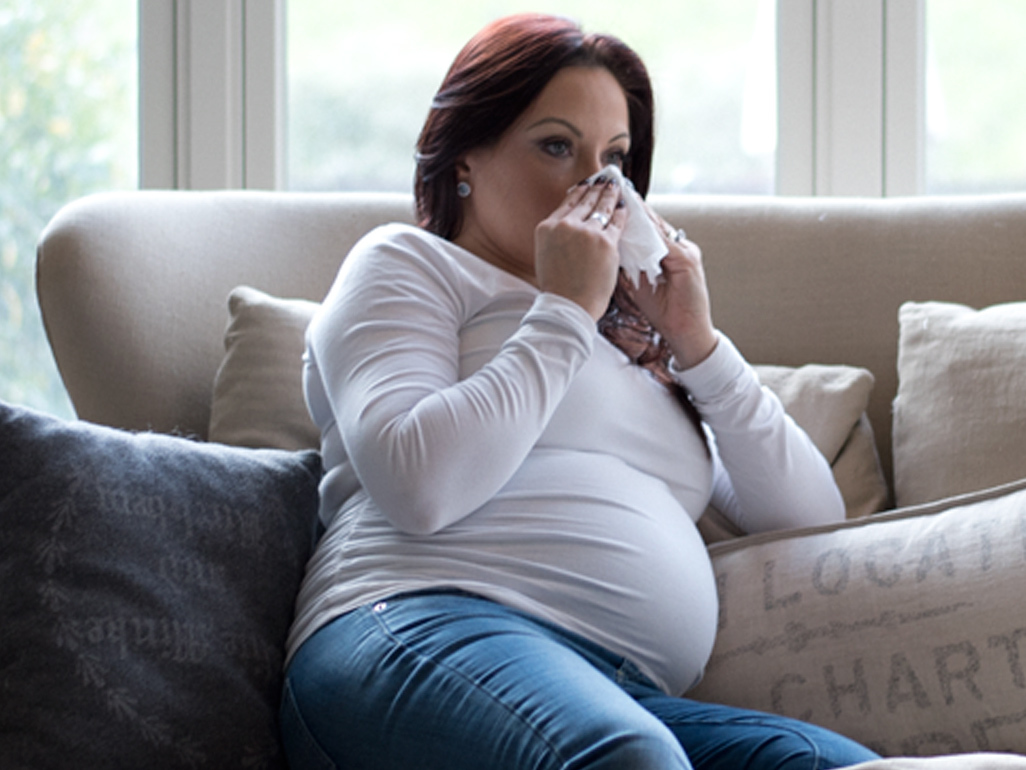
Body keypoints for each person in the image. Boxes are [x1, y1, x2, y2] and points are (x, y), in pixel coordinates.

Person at [280, 13, 881, 770]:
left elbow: (808, 516)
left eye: (616, 158)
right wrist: (563, 309)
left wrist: (697, 344)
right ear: (466, 153)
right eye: (557, 146)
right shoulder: (406, 264)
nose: (596, 186)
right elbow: (418, 484)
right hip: (416, 626)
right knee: (626, 758)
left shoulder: (634, 343)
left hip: (623, 690)